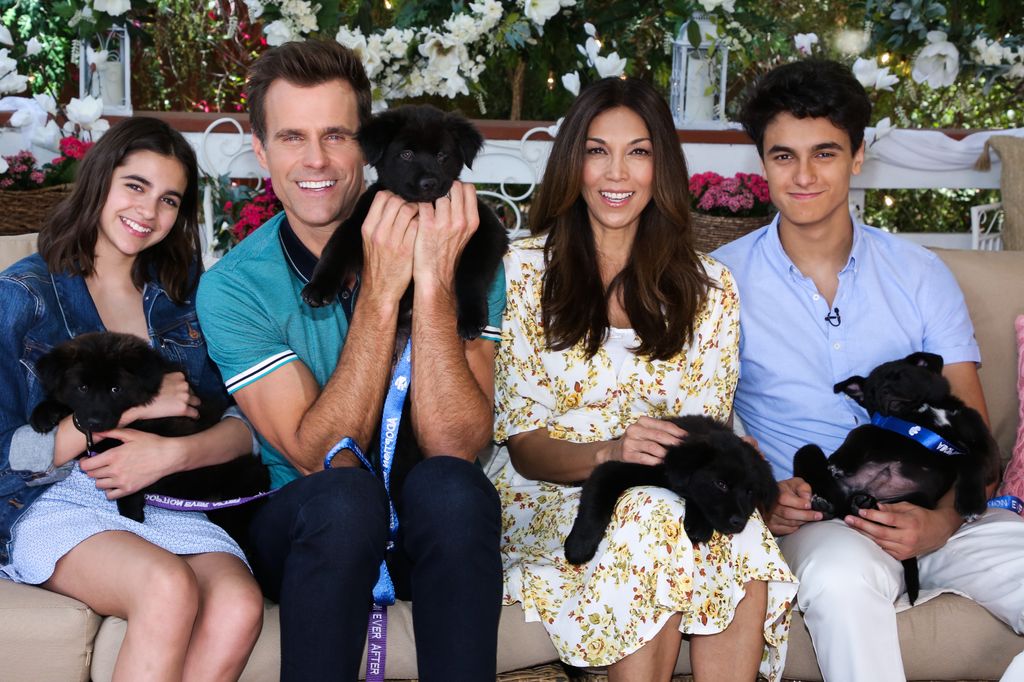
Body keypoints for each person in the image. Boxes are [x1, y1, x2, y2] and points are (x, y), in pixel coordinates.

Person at [195, 40, 504, 681]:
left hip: (427, 520)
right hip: (309, 531)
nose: (316, 160)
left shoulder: (463, 247)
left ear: (366, 148)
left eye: (337, 135)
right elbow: (317, 451)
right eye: (291, 137)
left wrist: (435, 282)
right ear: (261, 151)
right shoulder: (233, 287)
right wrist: (383, 295)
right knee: (343, 499)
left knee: (455, 487)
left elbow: (457, 441)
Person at [713, 59, 1024, 682]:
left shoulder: (920, 273)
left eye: (824, 153)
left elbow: (975, 433)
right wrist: (761, 499)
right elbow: (704, 425)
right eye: (783, 156)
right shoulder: (718, 282)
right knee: (839, 574)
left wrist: (942, 521)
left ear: (857, 158)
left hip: (949, 515)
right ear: (762, 164)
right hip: (825, 522)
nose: (803, 175)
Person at [488, 76, 798, 682]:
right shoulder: (522, 273)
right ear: (573, 162)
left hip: (666, 501)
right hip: (554, 504)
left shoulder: (711, 291)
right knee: (653, 516)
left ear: (662, 167)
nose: (616, 173)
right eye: (597, 150)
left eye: (638, 152)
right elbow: (523, 449)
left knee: (732, 530)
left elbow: (705, 439)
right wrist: (610, 451)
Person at [0, 117, 264, 681]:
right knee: (166, 586)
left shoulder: (184, 297)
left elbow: (246, 421)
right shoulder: (23, 295)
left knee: (240, 606)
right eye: (136, 186)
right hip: (54, 501)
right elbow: (7, 457)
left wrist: (173, 455)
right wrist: (135, 410)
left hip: (167, 499)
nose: (149, 211)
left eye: (169, 199)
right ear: (100, 180)